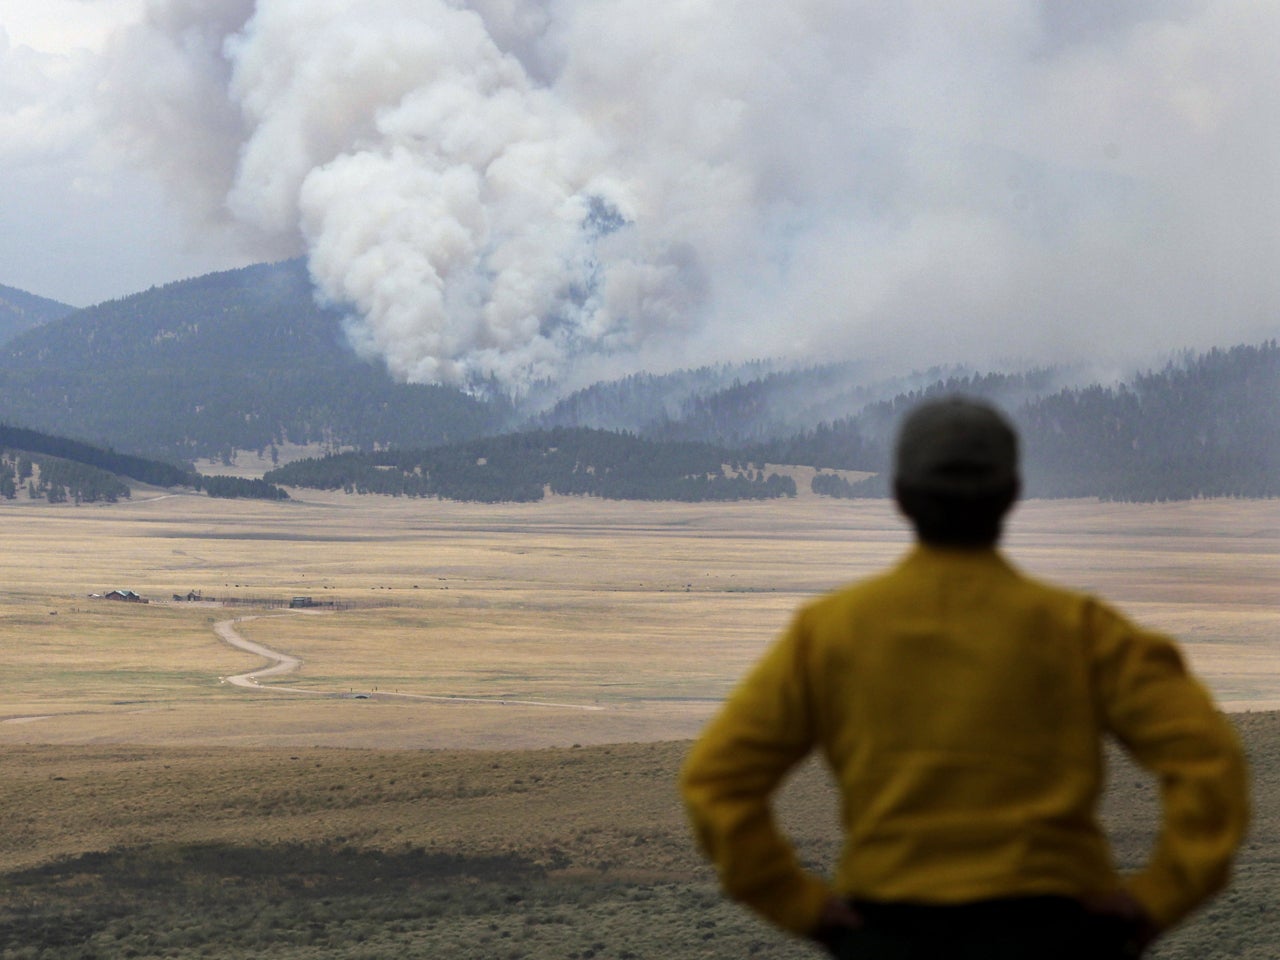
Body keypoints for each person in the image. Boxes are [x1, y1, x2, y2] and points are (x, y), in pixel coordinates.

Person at [680, 396, 1249, 958]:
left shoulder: (830, 631)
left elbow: (716, 781)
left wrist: (801, 905)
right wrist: (1156, 899)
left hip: (890, 937)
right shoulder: (1083, 630)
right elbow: (1210, 763)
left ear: (900, 497)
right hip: (1056, 936)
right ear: (1011, 494)